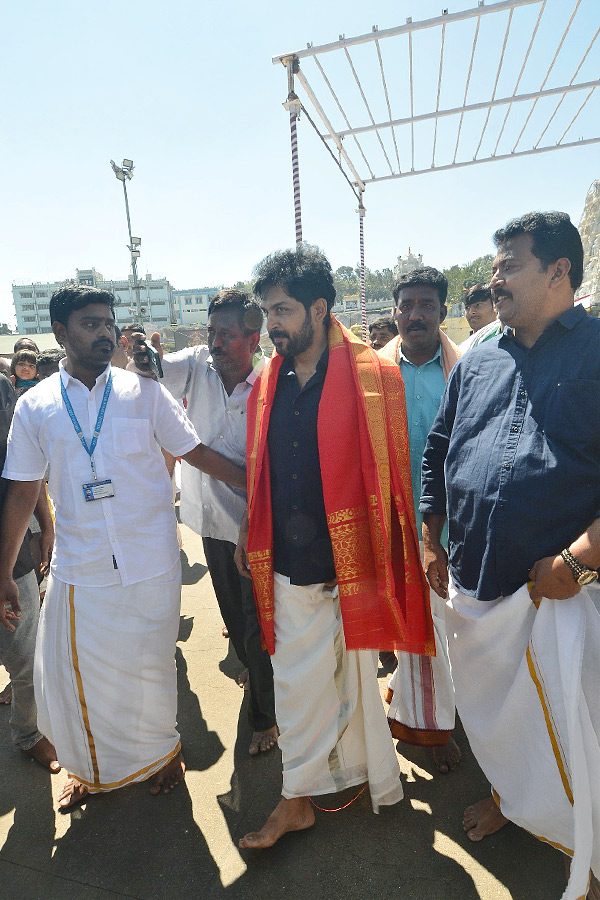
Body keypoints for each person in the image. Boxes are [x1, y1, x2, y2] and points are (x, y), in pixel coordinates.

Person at [0, 285, 247, 811]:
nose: (104, 333)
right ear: (61, 333)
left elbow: (196, 452)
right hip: (82, 566)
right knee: (83, 677)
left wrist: (259, 484)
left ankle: (162, 755)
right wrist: (3, 571)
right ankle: (92, 768)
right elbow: (24, 489)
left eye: (108, 323)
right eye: (89, 324)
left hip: (151, 561)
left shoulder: (145, 392)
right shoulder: (34, 406)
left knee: (153, 670)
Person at [421, 212, 600, 900]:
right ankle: (512, 799)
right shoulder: (481, 359)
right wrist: (429, 532)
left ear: (559, 272)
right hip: (475, 586)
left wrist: (578, 561)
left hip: (564, 594)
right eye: (495, 266)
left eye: (510, 266)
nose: (493, 278)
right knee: (496, 718)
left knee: (575, 728)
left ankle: (581, 851)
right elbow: (439, 449)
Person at [234, 245, 434, 849]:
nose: (271, 324)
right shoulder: (266, 382)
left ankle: (354, 776)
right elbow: (259, 468)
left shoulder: (376, 379)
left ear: (319, 308)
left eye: (283, 310)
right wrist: (251, 530)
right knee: (296, 685)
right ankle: (298, 797)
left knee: (354, 680)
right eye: (268, 311)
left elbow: (394, 484)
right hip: (290, 564)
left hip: (354, 564)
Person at [133, 290, 277, 757]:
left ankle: (265, 716)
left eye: (226, 334)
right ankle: (255, 676)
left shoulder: (273, 384)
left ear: (253, 338)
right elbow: (155, 369)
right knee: (235, 620)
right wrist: (144, 355)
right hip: (210, 521)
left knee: (258, 624)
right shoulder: (196, 363)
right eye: (210, 332)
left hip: (256, 524)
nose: (214, 341)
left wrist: (251, 489)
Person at [378, 267, 461, 773]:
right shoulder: (373, 373)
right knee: (417, 627)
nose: (415, 315)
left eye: (426, 304)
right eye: (406, 305)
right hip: (394, 524)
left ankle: (443, 709)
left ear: (443, 313)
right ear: (394, 313)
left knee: (453, 627)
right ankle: (426, 729)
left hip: (457, 525)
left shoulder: (467, 369)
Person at [0, 373, 57, 767]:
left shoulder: (3, 390)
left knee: (25, 661)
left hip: (10, 555)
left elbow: (26, 475)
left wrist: (47, 522)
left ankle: (29, 733)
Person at [459, 283, 502, 352]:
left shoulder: (504, 340)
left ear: (495, 306)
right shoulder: (463, 348)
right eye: (467, 307)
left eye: (478, 305)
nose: (471, 312)